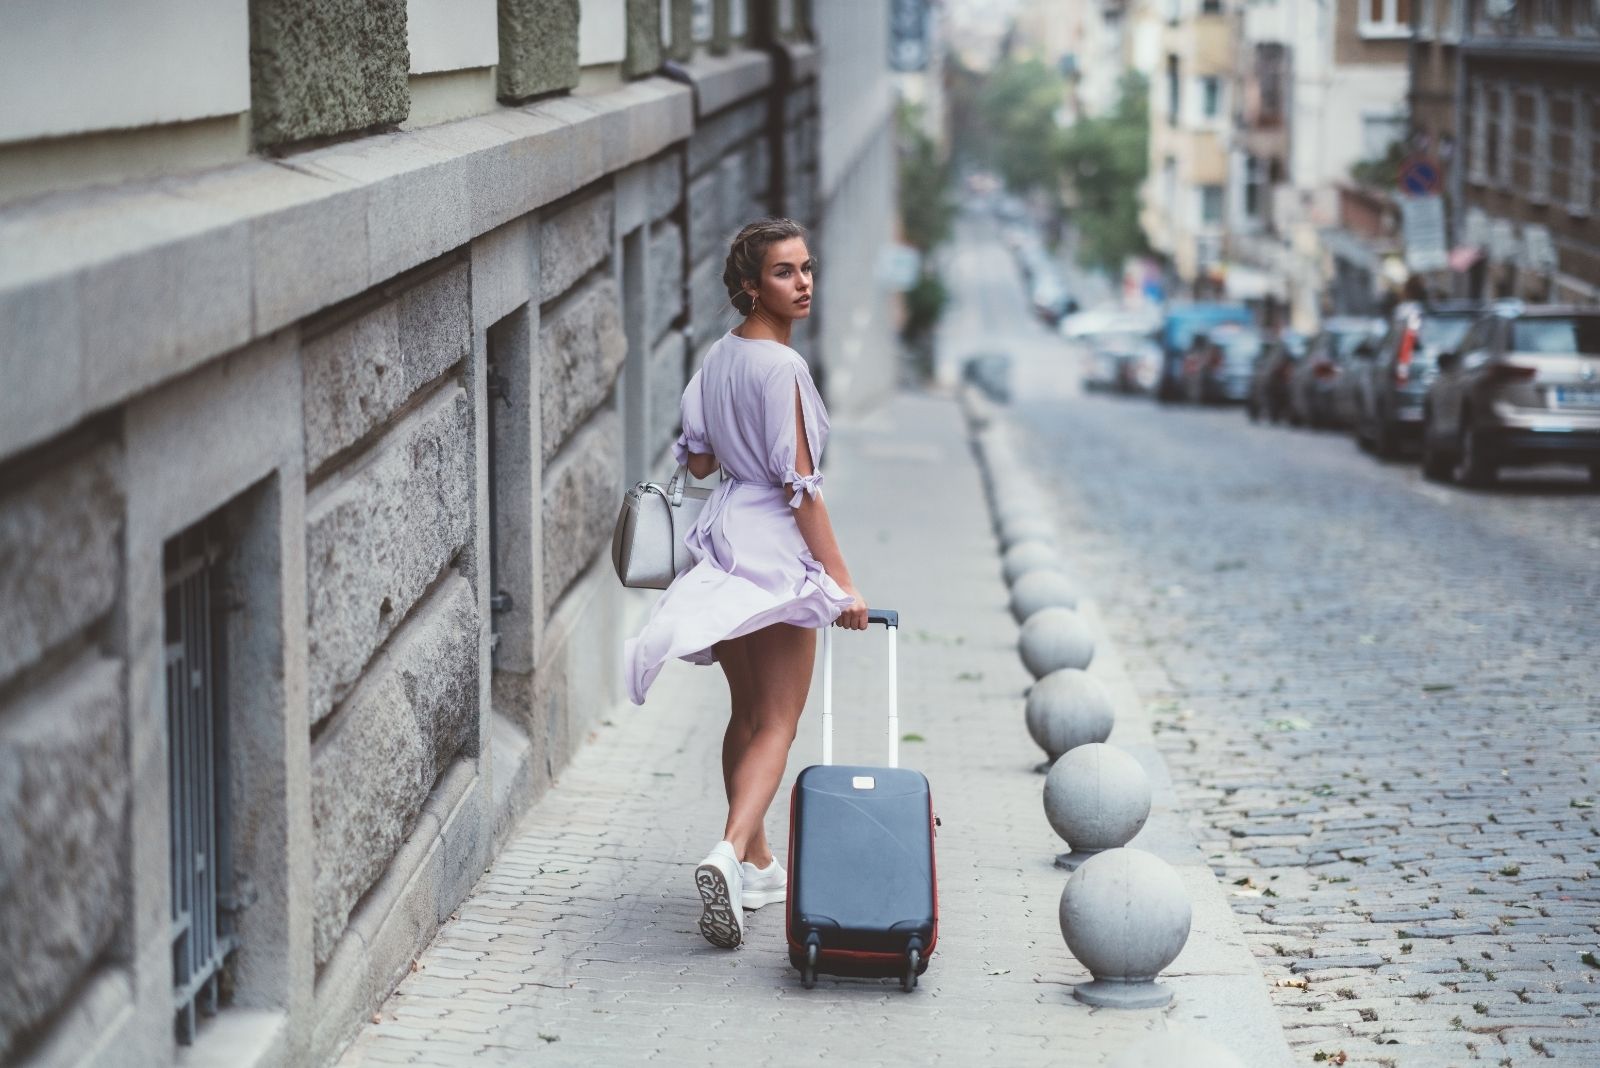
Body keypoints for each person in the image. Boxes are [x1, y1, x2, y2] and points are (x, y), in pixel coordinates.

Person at [623, 217, 868, 949]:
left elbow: (697, 466)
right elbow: (803, 491)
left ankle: (759, 863)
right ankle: (729, 852)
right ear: (749, 286)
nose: (803, 283)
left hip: (724, 539)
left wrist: (735, 440)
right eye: (785, 272)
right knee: (780, 722)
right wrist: (843, 584)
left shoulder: (719, 357)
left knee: (746, 713)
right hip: (773, 548)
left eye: (806, 268)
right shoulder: (783, 369)